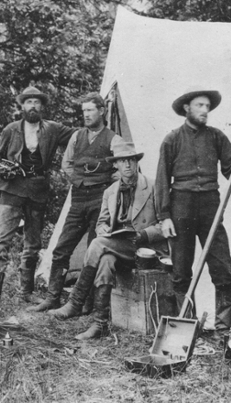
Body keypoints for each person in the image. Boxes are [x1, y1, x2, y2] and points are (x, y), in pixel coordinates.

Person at [153, 87, 231, 342]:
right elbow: (162, 180)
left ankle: (223, 330)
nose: (205, 111)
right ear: (187, 108)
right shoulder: (172, 139)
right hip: (181, 207)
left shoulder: (217, 137)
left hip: (210, 206)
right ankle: (187, 326)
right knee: (181, 270)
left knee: (223, 267)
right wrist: (164, 217)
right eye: (200, 106)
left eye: (207, 106)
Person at [49, 141, 166, 340]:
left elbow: (166, 225)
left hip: (145, 251)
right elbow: (101, 223)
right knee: (105, 261)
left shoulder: (154, 186)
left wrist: (143, 235)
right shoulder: (110, 192)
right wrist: (104, 230)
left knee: (97, 244)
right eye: (122, 161)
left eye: (131, 160)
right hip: (118, 247)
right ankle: (100, 323)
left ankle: (76, 302)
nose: (127, 165)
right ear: (116, 165)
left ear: (136, 162)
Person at [0, 86, 75, 310]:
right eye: (28, 102)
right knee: (2, 240)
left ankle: (26, 292)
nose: (33, 106)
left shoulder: (53, 129)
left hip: (38, 190)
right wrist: (3, 170)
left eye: (37, 102)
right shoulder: (11, 129)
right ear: (22, 106)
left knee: (33, 242)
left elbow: (79, 135)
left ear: (42, 106)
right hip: (11, 190)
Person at [29, 92, 123, 312]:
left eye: (90, 110)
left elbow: (121, 171)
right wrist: (79, 181)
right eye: (84, 111)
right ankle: (53, 297)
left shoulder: (114, 139)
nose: (86, 115)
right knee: (61, 249)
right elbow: (66, 164)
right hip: (78, 198)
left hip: (101, 200)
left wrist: (106, 188)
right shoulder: (76, 136)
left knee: (93, 251)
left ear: (101, 111)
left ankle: (86, 303)